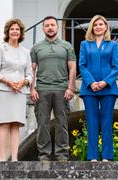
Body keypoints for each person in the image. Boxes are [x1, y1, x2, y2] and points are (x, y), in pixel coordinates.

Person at [30, 16, 76, 161]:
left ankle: (62, 155)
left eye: (52, 25)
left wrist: (70, 87)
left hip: (62, 89)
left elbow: (72, 67)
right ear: (43, 28)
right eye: (47, 25)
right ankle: (44, 155)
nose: (50, 27)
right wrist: (32, 89)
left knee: (61, 123)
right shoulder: (36, 48)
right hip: (41, 90)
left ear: (57, 27)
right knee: (42, 124)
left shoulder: (66, 46)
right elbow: (32, 70)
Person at [79, 15, 118, 161]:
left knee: (107, 122)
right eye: (95, 24)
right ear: (92, 27)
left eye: (101, 24)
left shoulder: (112, 45)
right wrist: (91, 82)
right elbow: (82, 65)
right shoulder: (85, 44)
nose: (98, 27)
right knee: (92, 122)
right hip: (89, 89)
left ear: (106, 27)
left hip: (108, 89)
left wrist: (105, 82)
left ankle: (107, 156)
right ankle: (93, 156)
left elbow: (116, 67)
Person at [0, 18, 32, 161]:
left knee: (16, 124)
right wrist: (8, 81)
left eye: (17, 29)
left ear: (21, 32)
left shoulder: (26, 52)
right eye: (12, 29)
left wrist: (24, 82)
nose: (15, 31)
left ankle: (14, 159)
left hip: (19, 92)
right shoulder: (0, 48)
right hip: (4, 90)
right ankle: (2, 159)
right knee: (4, 124)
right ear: (7, 32)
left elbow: (30, 74)